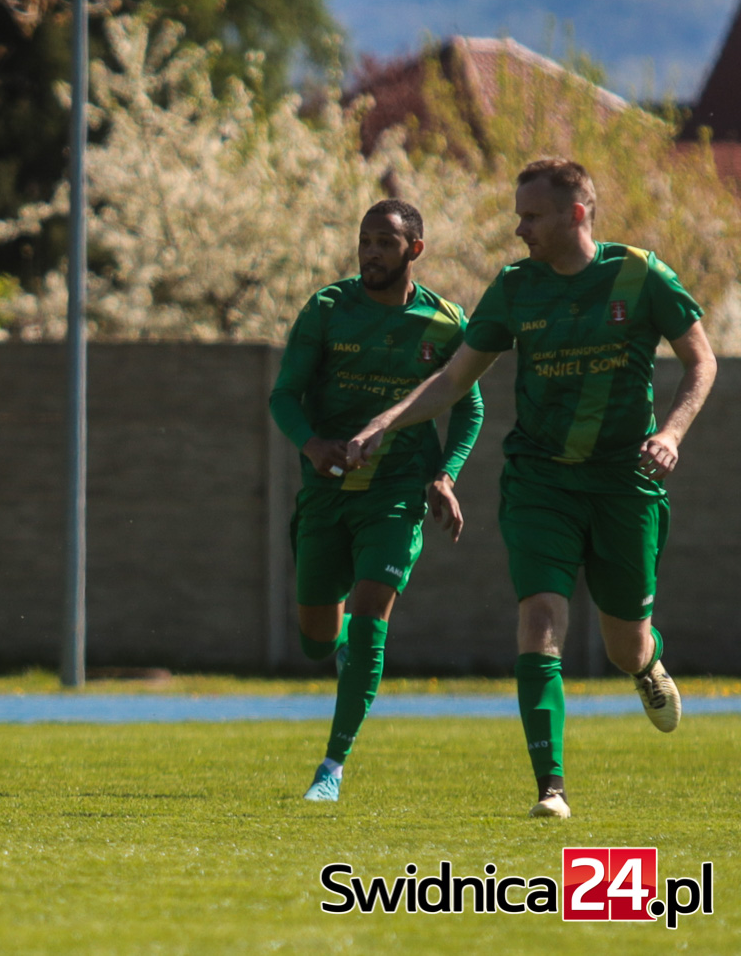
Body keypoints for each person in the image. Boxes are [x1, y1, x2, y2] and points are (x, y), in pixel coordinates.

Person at [347, 159, 717, 819]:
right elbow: (455, 376)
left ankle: (647, 663)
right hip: (539, 479)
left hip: (624, 484)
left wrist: (672, 432)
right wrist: (388, 418)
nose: (519, 229)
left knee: (624, 644)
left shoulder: (640, 275)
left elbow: (701, 359)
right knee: (540, 618)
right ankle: (552, 787)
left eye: (531, 216)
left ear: (576, 214)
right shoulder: (516, 287)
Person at [269, 199, 484, 803]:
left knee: (370, 616)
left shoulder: (445, 322)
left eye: (385, 242)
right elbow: (283, 395)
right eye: (365, 240)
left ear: (415, 249)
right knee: (316, 638)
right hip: (327, 492)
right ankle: (338, 647)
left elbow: (468, 407)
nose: (370, 252)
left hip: (395, 493)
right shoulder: (327, 309)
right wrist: (312, 445)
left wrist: (445, 475)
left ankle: (331, 768)